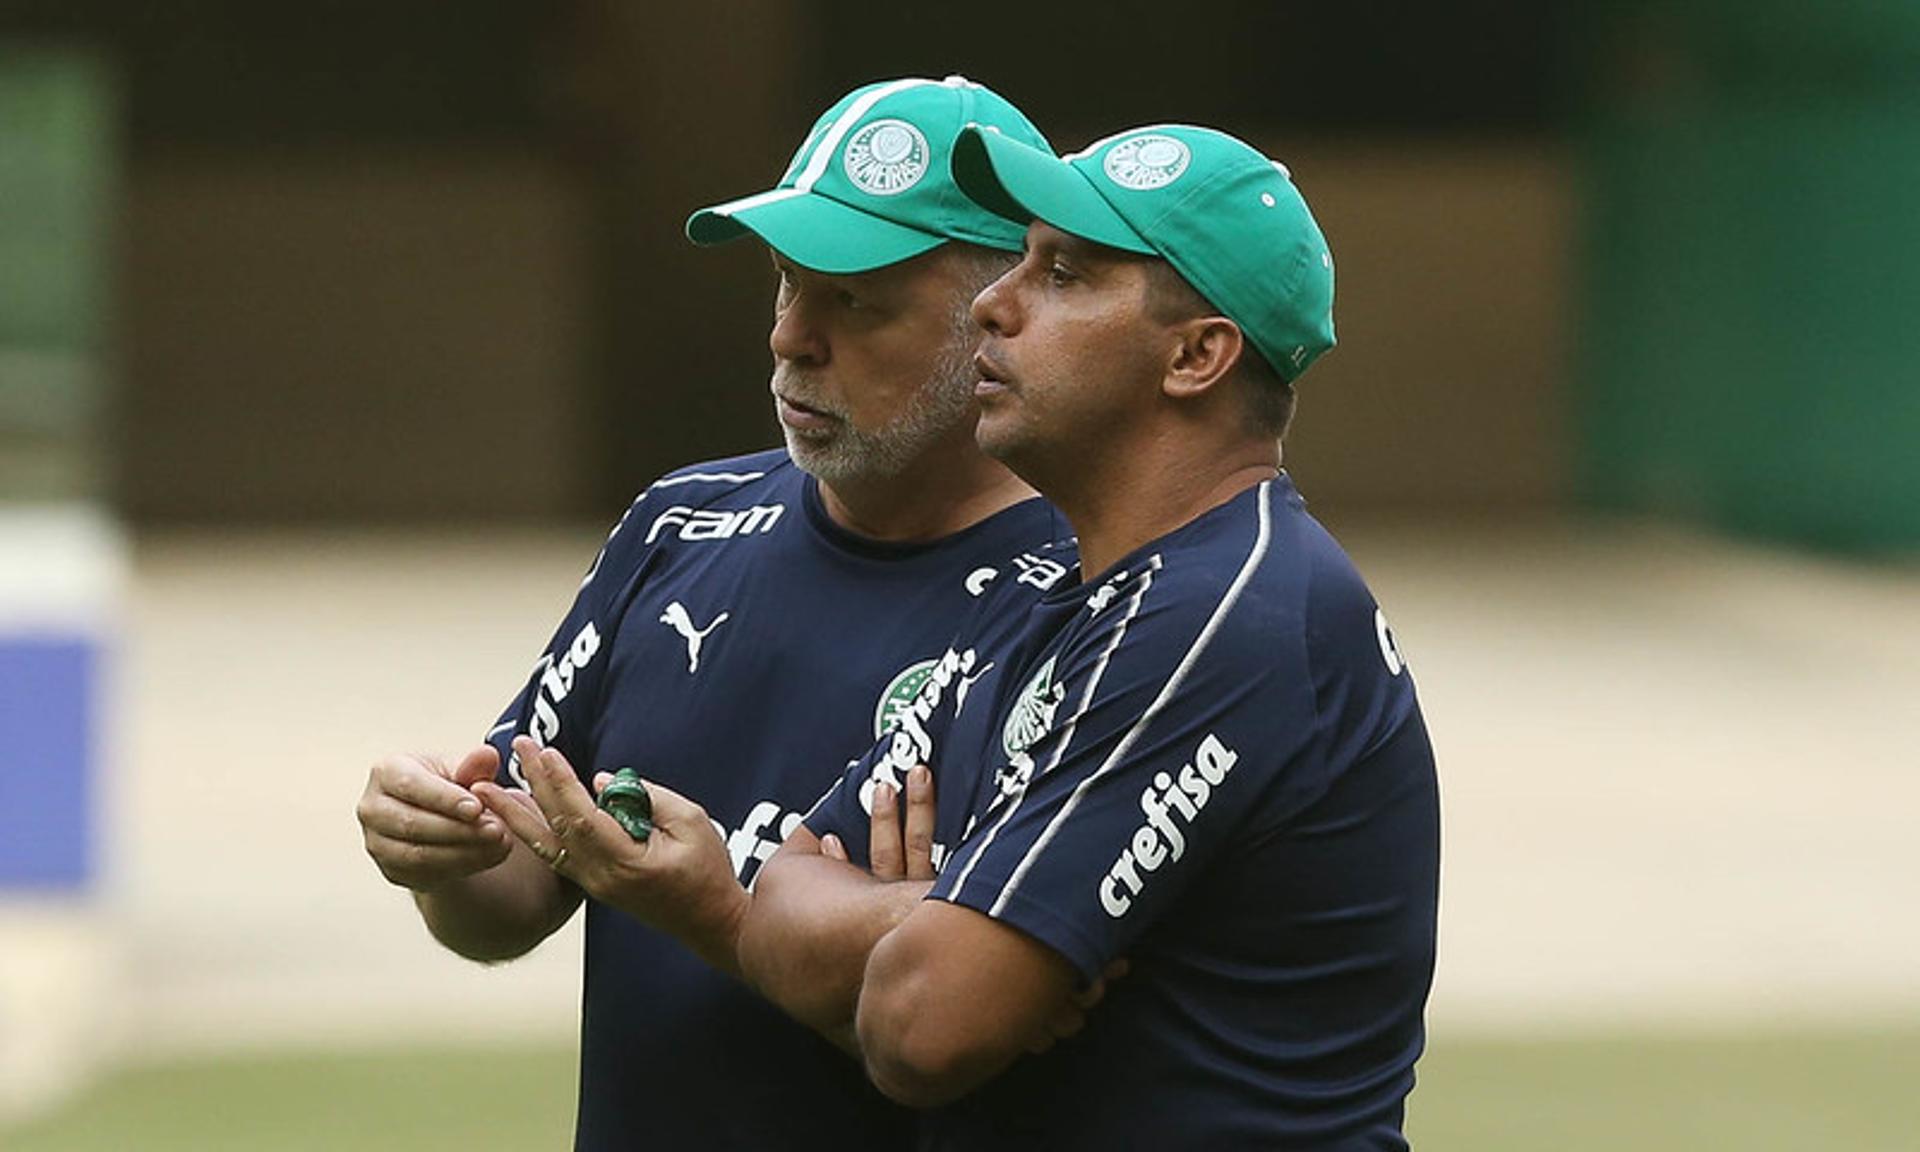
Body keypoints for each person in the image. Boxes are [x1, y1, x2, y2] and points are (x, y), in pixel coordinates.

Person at [353, 76, 1073, 1152]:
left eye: (854, 301)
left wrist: (758, 916)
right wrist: (444, 853)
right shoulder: (679, 525)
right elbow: (521, 881)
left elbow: (1016, 1016)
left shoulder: (1094, 602)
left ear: (998, 320)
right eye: (785, 283)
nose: (791, 339)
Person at [748, 123, 1441, 1149]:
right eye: (1020, 260)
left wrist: (931, 935)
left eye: (1064, 273)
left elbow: (920, 1026)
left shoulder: (1226, 614)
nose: (993, 301)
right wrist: (924, 919)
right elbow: (778, 885)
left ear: (1198, 355)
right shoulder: (1069, 595)